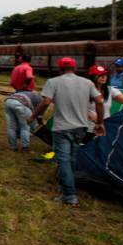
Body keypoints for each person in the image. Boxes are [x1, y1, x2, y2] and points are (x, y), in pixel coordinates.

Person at [28, 58, 104, 206]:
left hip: (62, 128)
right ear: (75, 68)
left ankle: (69, 196)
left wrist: (33, 116)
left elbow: (45, 102)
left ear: (59, 69)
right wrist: (100, 122)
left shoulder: (53, 82)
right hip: (81, 127)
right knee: (72, 159)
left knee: (63, 160)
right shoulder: (87, 83)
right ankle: (65, 188)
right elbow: (100, 101)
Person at [88, 65, 123, 138]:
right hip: (89, 129)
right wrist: (95, 119)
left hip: (105, 128)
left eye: (105, 75)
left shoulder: (110, 90)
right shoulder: (85, 90)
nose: (103, 77)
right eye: (100, 75)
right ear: (92, 77)